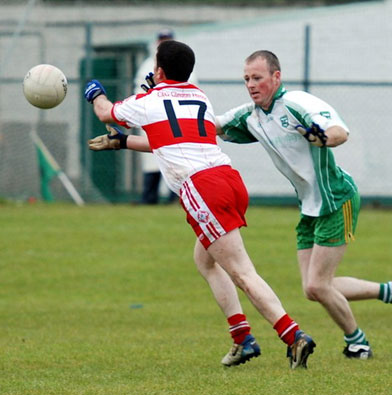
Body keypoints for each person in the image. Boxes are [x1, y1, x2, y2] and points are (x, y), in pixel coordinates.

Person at [83, 40, 316, 369]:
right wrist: (123, 141)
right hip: (229, 180)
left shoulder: (149, 99)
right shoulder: (199, 96)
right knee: (205, 261)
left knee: (242, 272)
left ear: (159, 70)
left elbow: (107, 113)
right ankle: (242, 339)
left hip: (202, 188)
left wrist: (95, 92)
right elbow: (172, 140)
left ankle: (294, 337)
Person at [214, 50, 392, 359]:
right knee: (314, 287)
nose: (251, 84)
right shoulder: (252, 116)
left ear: (276, 77)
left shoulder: (299, 104)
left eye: (257, 77)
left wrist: (322, 137)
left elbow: (340, 132)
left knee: (318, 285)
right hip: (309, 206)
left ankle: (358, 343)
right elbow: (212, 125)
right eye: (246, 79)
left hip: (336, 199)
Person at [134, 28, 178, 204]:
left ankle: (176, 199)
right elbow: (139, 96)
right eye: (162, 40)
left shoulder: (183, 65)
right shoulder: (147, 67)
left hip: (176, 123)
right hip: (152, 121)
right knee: (152, 161)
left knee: (176, 162)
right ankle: (149, 198)